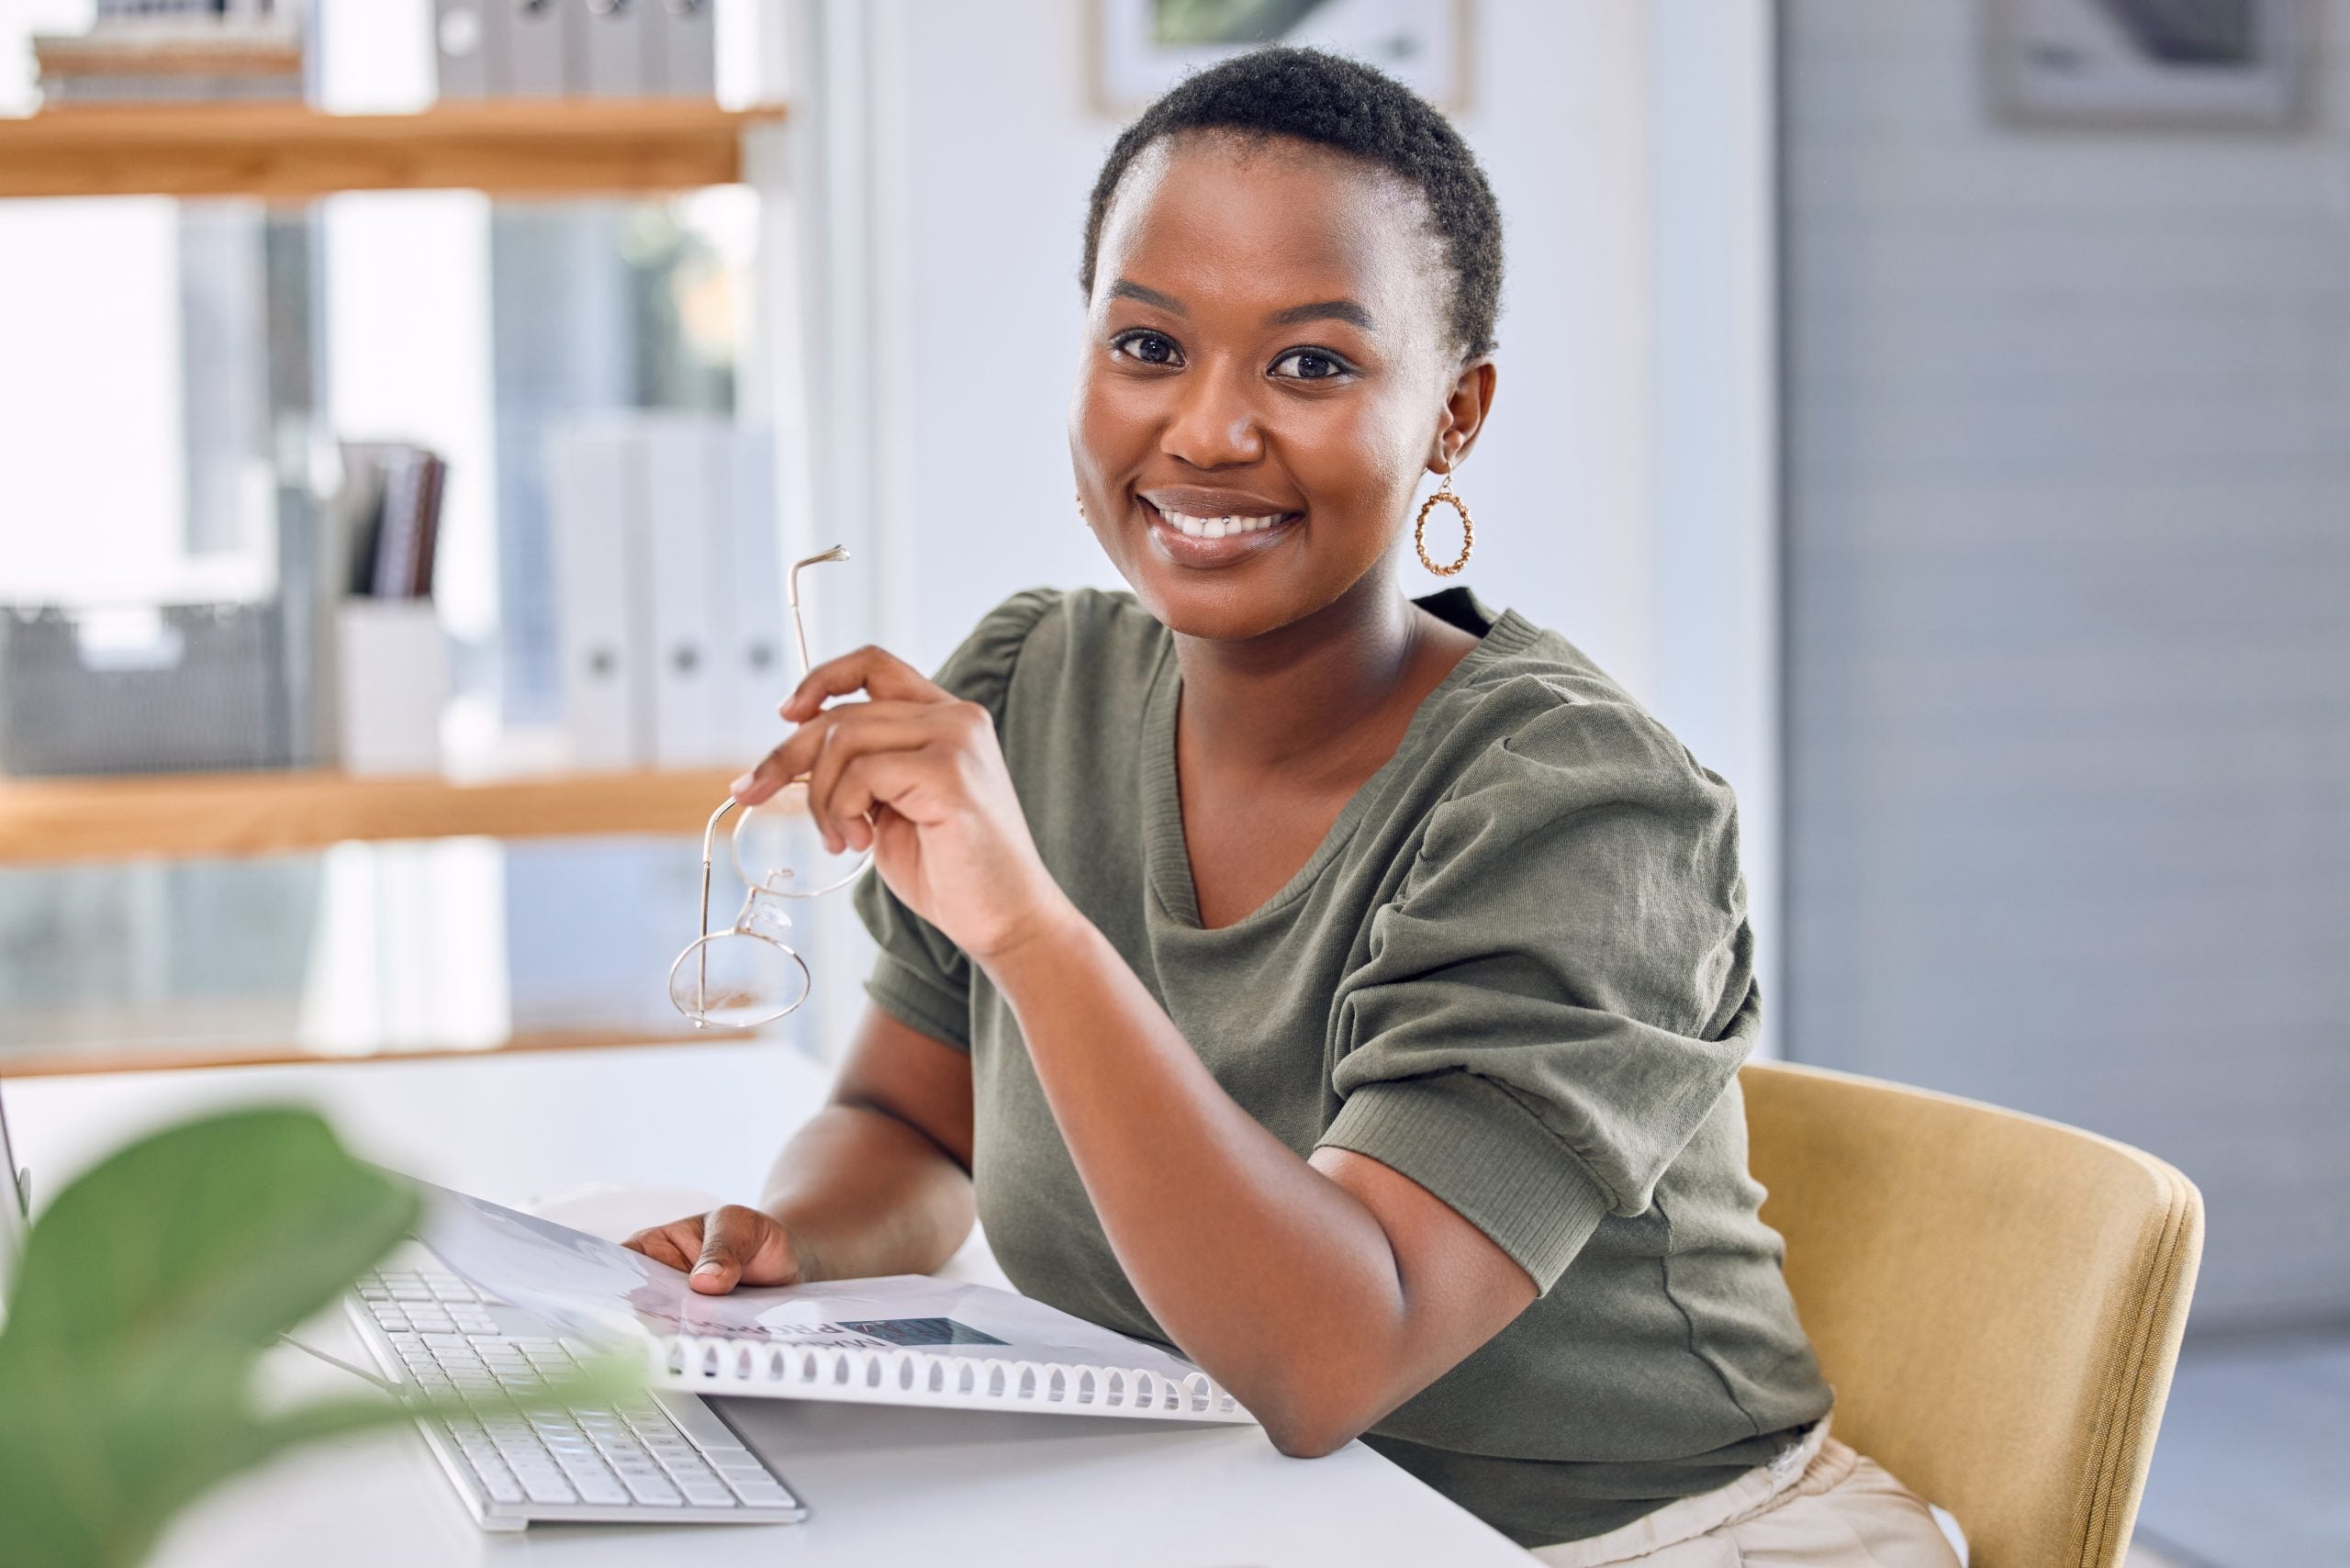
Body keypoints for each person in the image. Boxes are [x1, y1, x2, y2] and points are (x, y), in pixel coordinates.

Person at [625, 47, 1960, 1566]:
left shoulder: (1586, 815)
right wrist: (794, 1242)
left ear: (1454, 416)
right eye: (1146, 345)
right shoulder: (1030, 685)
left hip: (1639, 1543)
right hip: (1237, 1518)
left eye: (1312, 364)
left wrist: (1036, 932)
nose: (1205, 431)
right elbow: (906, 1125)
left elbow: (1336, 1354)